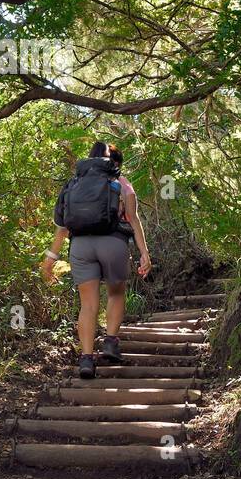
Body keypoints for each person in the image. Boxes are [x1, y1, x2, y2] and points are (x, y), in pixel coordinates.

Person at [41, 142, 152, 378]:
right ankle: (110, 343)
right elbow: (132, 219)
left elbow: (62, 229)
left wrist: (50, 259)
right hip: (113, 243)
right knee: (116, 292)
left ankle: (86, 360)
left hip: (80, 246)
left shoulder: (73, 184)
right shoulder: (121, 184)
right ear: (115, 163)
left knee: (88, 305)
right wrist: (144, 252)